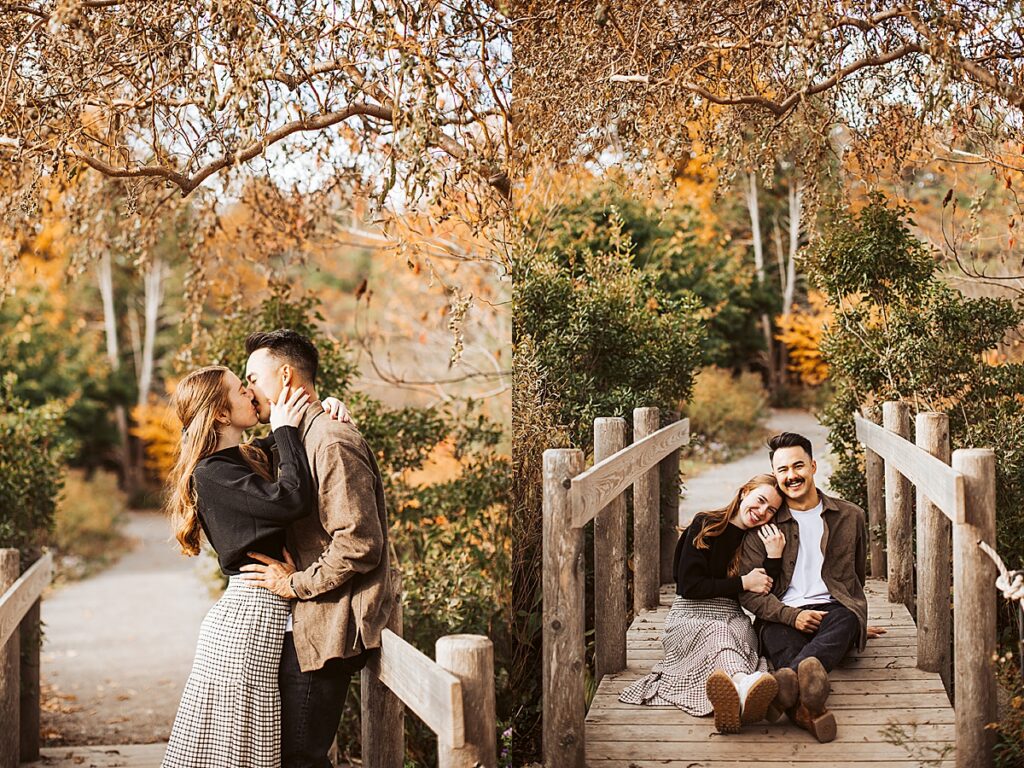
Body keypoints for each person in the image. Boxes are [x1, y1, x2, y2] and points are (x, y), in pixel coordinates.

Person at [239, 329, 396, 768]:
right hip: (307, 620)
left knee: (300, 757)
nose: (248, 389)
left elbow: (360, 543)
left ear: (285, 375)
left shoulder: (330, 440)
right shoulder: (298, 436)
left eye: (253, 378)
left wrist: (293, 584)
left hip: (330, 622)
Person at [161, 366, 318, 767]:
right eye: (239, 389)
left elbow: (285, 449)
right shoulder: (212, 473)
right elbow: (291, 499)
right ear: (221, 414)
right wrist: (284, 429)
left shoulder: (240, 458)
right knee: (236, 755)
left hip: (258, 618)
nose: (251, 393)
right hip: (246, 628)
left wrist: (323, 407)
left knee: (247, 752)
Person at [619, 473, 787, 734]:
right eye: (760, 500)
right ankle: (743, 686)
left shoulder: (757, 540)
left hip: (732, 616)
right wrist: (742, 583)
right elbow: (689, 585)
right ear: (744, 492)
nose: (762, 511)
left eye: (771, 510)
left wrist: (774, 557)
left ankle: (733, 701)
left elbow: (763, 588)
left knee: (743, 633)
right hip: (691, 615)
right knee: (717, 632)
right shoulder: (706, 524)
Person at [737, 432, 870, 744]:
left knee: (847, 619)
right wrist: (790, 616)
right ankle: (807, 709)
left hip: (833, 613)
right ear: (775, 473)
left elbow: (856, 579)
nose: (791, 476)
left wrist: (859, 618)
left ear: (813, 466)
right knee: (774, 632)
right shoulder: (764, 526)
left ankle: (781, 688)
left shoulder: (850, 516)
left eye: (798, 466)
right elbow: (750, 595)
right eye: (782, 470)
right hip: (783, 615)